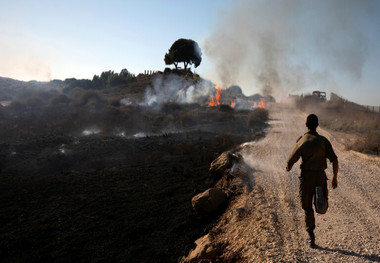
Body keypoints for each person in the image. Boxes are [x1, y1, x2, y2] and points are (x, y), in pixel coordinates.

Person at [286, 114, 339, 248]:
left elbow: (290, 160)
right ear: (317, 125)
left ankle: (311, 234)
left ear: (306, 125)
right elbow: (334, 159)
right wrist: (334, 176)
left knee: (306, 206)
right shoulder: (323, 141)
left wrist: (289, 166)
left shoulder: (302, 140)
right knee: (321, 207)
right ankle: (321, 205)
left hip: (307, 177)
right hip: (321, 177)